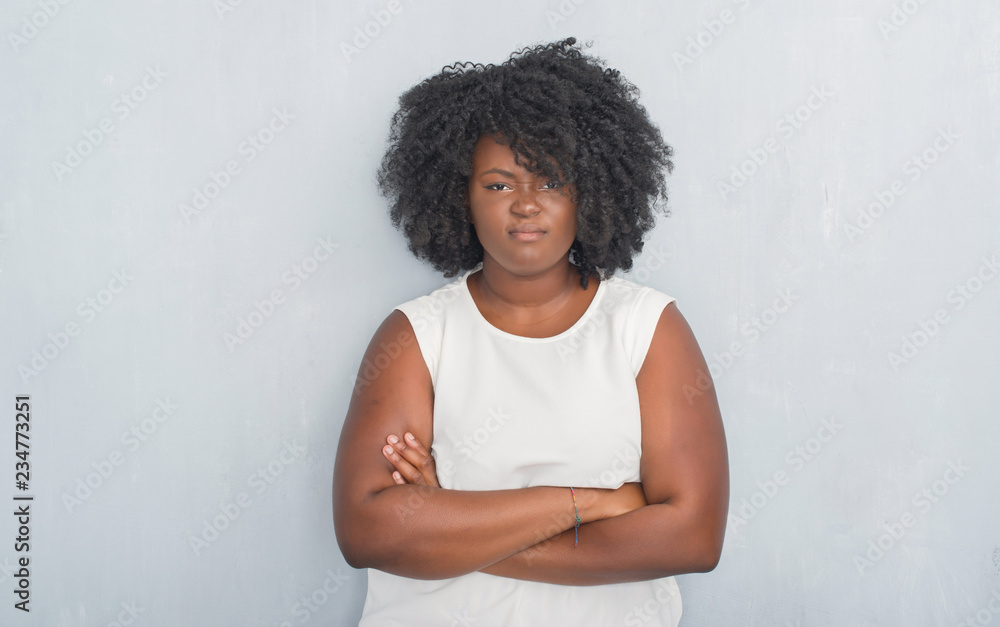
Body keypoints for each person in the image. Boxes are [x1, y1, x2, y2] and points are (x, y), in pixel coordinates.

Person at [332, 37, 729, 626]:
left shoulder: (648, 328)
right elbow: (368, 533)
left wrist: (447, 525)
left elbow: (693, 538)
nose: (524, 205)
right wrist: (592, 504)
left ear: (588, 192)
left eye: (550, 182)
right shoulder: (415, 336)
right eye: (497, 184)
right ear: (458, 197)